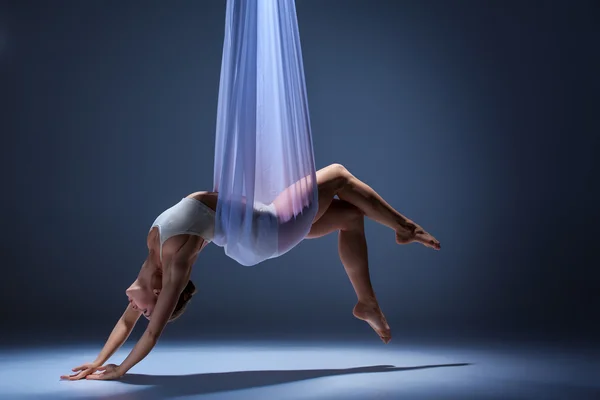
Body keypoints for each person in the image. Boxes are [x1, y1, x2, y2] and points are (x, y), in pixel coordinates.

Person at [61, 163, 440, 381]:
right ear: (160, 295)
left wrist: (97, 361)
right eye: (145, 310)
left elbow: (126, 326)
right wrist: (120, 371)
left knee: (352, 216)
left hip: (260, 225)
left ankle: (366, 302)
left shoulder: (152, 257)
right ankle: (405, 227)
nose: (135, 310)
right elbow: (151, 333)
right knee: (339, 174)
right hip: (267, 230)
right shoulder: (175, 262)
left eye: (140, 309)